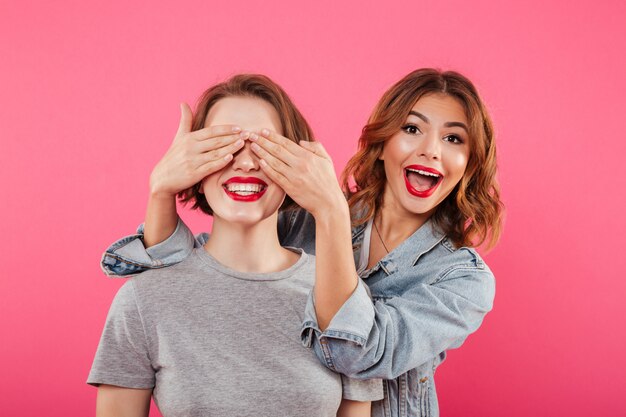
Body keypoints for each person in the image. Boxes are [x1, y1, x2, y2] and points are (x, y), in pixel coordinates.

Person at [101, 68, 503, 417]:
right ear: (382, 144)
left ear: (471, 162)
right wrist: (160, 190)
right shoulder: (303, 223)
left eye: (454, 139)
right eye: (412, 129)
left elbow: (357, 352)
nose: (430, 150)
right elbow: (190, 268)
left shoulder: (462, 279)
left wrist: (331, 211)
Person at [88, 74, 382, 417]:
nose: (246, 162)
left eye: (265, 147)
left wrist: (331, 207)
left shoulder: (343, 295)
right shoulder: (143, 299)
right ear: (191, 164)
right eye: (223, 146)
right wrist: (160, 190)